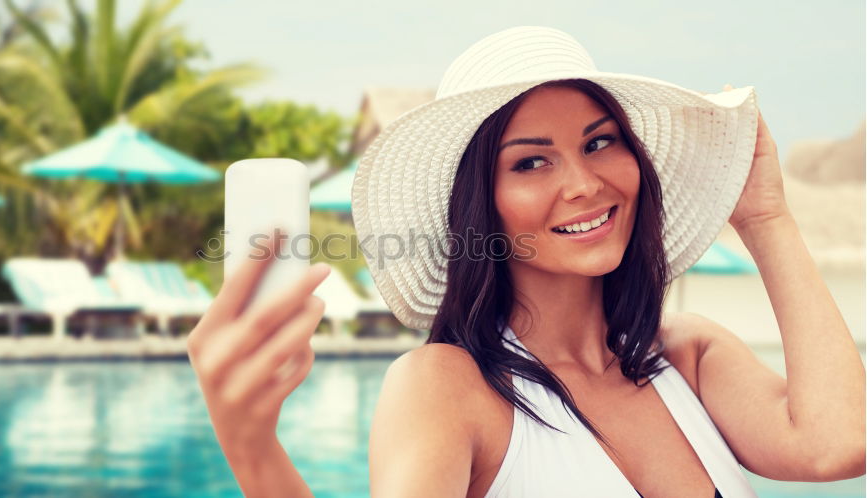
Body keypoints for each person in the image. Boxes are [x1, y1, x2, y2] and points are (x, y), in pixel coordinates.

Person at [185, 26, 866, 497]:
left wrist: (766, 218)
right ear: (482, 202)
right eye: (532, 161)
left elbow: (837, 445)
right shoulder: (446, 388)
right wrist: (251, 447)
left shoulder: (685, 357)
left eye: (600, 143)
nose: (583, 183)